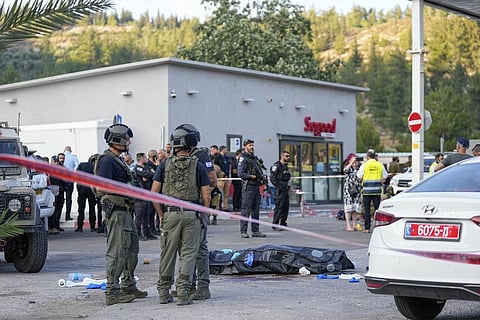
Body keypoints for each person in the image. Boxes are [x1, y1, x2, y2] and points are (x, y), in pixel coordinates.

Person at [151, 124, 211, 306]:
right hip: (192, 215)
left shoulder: (164, 165)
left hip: (170, 214)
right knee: (188, 254)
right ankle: (183, 293)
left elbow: (154, 193)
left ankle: (163, 292)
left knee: (167, 253)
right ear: (191, 144)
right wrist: (202, 215)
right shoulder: (198, 166)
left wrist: (161, 214)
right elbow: (206, 196)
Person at [96, 123, 147, 306]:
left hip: (125, 212)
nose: (129, 141)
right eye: (126, 138)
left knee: (131, 250)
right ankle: (112, 291)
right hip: (117, 212)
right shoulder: (107, 160)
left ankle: (128, 285)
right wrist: (127, 191)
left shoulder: (117, 159)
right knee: (117, 252)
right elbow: (101, 185)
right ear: (117, 140)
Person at [238, 139, 266, 238]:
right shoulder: (243, 158)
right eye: (250, 145)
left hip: (256, 186)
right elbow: (241, 173)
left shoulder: (254, 158)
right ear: (245, 146)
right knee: (246, 209)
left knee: (256, 209)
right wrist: (251, 176)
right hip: (248, 186)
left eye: (252, 145)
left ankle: (255, 230)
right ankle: (243, 231)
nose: (252, 147)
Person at [356, 149, 388, 233]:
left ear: (367, 156)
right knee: (377, 209)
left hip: (366, 190)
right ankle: (378, 227)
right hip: (377, 190)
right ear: (375, 156)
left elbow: (358, 176)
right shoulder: (380, 165)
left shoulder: (364, 165)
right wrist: (379, 180)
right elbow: (385, 176)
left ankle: (367, 228)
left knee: (367, 209)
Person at [132, 152, 157, 241]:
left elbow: (154, 174)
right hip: (139, 196)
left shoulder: (146, 167)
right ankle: (138, 233)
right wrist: (148, 174)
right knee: (139, 215)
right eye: (145, 157)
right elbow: (149, 174)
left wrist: (149, 174)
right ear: (141, 158)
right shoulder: (138, 168)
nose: (146, 158)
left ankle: (147, 233)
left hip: (146, 194)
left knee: (146, 215)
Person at [269, 150, 292, 230]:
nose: (288, 158)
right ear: (282, 156)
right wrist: (279, 186)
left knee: (286, 207)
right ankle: (275, 224)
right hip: (279, 190)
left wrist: (288, 187)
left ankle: (283, 223)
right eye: (286, 156)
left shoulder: (286, 166)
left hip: (285, 190)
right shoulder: (277, 166)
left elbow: (286, 178)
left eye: (288, 156)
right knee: (279, 208)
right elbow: (272, 178)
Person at [75, 155, 97, 232]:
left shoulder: (81, 165)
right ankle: (92, 227)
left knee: (81, 208)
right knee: (92, 208)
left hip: (82, 188)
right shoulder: (94, 167)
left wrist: (78, 187)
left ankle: (80, 227)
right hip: (91, 189)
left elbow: (76, 176)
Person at [342, 153, 362, 232]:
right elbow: (345, 170)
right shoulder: (348, 168)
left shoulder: (359, 169)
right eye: (354, 160)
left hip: (357, 189)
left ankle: (354, 225)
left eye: (356, 160)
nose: (355, 162)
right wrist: (351, 163)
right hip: (349, 190)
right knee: (348, 208)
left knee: (355, 208)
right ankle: (348, 225)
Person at [63, 146, 79, 221]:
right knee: (69, 198)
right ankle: (67, 215)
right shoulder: (73, 157)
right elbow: (77, 167)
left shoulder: (61, 156)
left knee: (59, 198)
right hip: (70, 179)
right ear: (71, 150)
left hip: (61, 179)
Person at [217, 146, 231, 211]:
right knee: (219, 193)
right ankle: (218, 206)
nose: (226, 151)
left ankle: (225, 206)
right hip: (220, 178)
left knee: (226, 193)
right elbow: (216, 168)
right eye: (225, 149)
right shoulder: (217, 157)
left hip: (227, 177)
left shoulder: (226, 158)